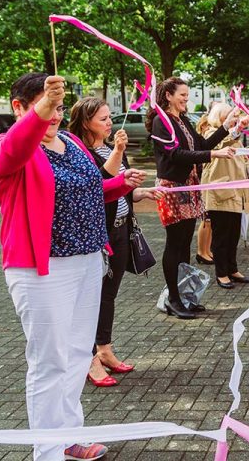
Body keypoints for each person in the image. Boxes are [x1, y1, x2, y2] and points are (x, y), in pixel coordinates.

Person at [0, 73, 145, 461]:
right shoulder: (4, 147)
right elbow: (13, 152)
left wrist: (123, 184)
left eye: (57, 107)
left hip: (89, 260)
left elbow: (89, 189)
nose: (54, 115)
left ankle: (69, 437)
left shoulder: (72, 141)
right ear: (18, 107)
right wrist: (40, 112)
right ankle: (47, 449)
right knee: (49, 361)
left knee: (75, 356)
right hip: (42, 270)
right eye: (45, 106)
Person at [68, 97, 162, 388]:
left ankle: (104, 348)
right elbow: (100, 182)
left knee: (108, 294)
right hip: (100, 234)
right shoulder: (82, 152)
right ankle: (88, 359)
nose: (109, 123)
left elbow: (119, 188)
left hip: (121, 229)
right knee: (89, 299)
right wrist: (119, 151)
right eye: (103, 119)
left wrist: (141, 193)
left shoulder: (110, 148)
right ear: (86, 123)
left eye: (110, 118)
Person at [147, 77, 238, 320]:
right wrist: (213, 153)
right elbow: (176, 155)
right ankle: (172, 299)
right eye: (183, 95)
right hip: (173, 188)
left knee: (184, 244)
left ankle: (185, 295)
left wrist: (226, 128)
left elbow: (202, 145)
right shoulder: (161, 121)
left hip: (189, 187)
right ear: (168, 96)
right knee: (174, 244)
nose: (186, 99)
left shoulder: (184, 120)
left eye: (187, 95)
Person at [201, 103, 249, 289]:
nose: (232, 120)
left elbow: (242, 156)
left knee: (233, 235)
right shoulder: (210, 134)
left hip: (237, 194)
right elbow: (222, 144)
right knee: (221, 236)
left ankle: (232, 268)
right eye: (228, 117)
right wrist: (236, 129)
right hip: (220, 192)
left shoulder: (235, 136)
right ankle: (221, 273)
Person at [195, 111, 215, 265]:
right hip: (203, 185)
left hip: (208, 185)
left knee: (210, 221)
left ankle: (207, 250)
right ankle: (201, 251)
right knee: (205, 220)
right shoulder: (200, 147)